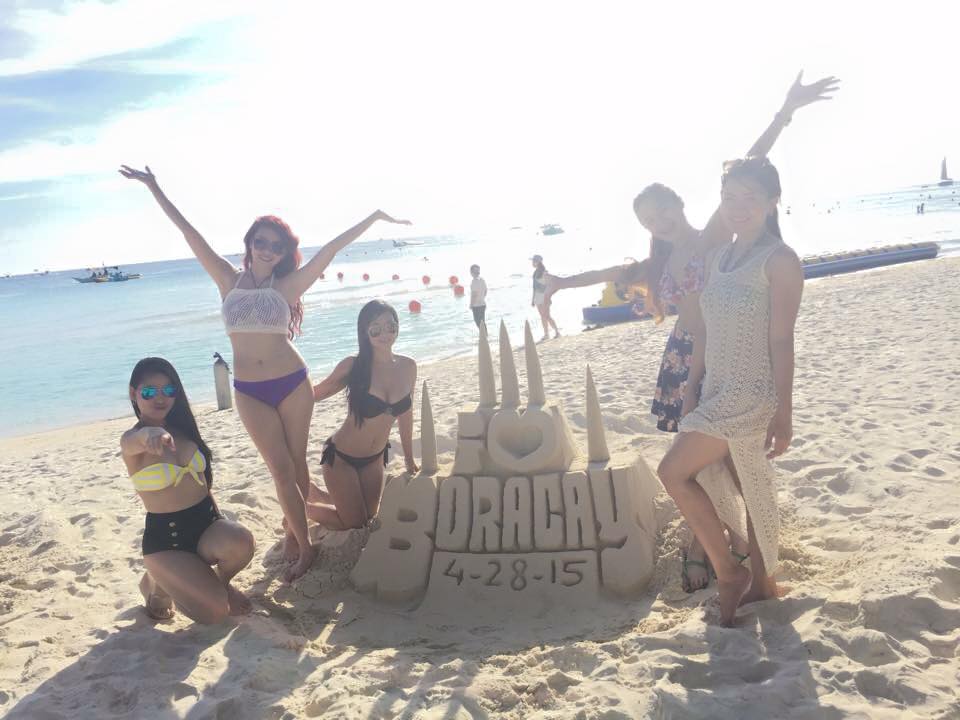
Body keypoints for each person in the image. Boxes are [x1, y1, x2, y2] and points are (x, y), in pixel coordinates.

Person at [543, 71, 838, 592]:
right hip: (685, 358)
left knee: (737, 462)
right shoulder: (656, 265)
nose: (658, 223)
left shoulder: (712, 239)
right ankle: (717, 547)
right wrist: (562, 283)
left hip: (729, 353)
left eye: (663, 212)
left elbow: (749, 171)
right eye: (648, 220)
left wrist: (783, 113)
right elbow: (610, 273)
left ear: (681, 205)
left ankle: (749, 558)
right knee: (704, 467)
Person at [119, 164, 410, 581]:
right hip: (250, 390)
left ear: (284, 252)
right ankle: (302, 539)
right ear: (250, 244)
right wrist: (154, 187)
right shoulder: (227, 280)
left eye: (277, 245)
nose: (268, 250)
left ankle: (298, 538)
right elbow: (189, 233)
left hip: (292, 382)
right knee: (280, 468)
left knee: (296, 465)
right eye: (261, 242)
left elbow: (330, 249)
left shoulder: (286, 287)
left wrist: (375, 217)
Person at [659, 156, 804, 626]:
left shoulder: (780, 261)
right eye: (729, 197)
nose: (738, 207)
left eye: (750, 197)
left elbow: (782, 340)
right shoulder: (718, 257)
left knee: (673, 472)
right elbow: (705, 330)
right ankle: (762, 582)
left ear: (772, 202)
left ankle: (728, 572)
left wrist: (783, 411)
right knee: (749, 484)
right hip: (716, 389)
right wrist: (692, 388)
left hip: (750, 393)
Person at [121, 357, 255, 623]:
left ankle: (219, 584)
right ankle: (157, 582)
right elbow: (133, 441)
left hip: (206, 526)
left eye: (168, 390)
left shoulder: (183, 428)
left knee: (241, 541)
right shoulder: (133, 441)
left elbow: (203, 483)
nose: (160, 398)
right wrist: (149, 435)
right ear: (134, 393)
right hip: (167, 541)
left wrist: (218, 516)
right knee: (215, 613)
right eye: (149, 391)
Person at [309, 300, 418, 529]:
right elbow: (316, 394)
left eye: (390, 326)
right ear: (365, 332)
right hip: (341, 458)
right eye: (375, 328)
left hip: (374, 459)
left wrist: (409, 460)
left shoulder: (408, 366)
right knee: (355, 523)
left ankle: (320, 496)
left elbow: (406, 416)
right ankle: (300, 510)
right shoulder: (354, 366)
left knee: (369, 518)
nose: (384, 334)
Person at [532, 254, 560, 341]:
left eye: (533, 261)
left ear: (537, 262)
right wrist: (533, 299)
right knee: (542, 316)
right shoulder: (535, 272)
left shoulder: (544, 272)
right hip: (538, 296)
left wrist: (548, 295)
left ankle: (557, 332)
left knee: (547, 315)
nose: (532, 263)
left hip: (544, 296)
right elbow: (535, 287)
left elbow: (552, 284)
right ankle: (546, 334)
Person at [469, 264, 487, 329]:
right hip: (483, 304)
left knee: (479, 323)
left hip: (476, 306)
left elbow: (474, 294)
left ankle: (484, 335)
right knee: (482, 323)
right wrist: (481, 298)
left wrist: (471, 305)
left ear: (471, 272)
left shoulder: (473, 282)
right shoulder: (482, 280)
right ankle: (485, 334)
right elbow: (485, 291)